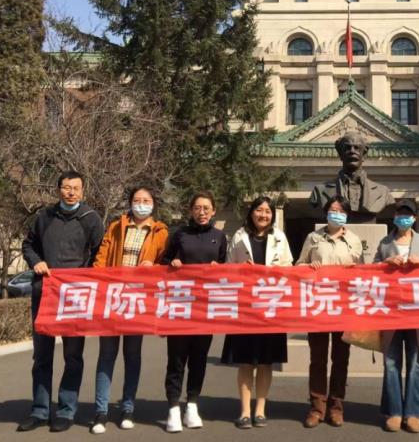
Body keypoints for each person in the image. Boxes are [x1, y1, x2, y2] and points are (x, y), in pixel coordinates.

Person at [18, 171, 105, 433]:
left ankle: (66, 411)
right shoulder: (44, 217)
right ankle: (40, 411)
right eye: (66, 187)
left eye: (76, 188)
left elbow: (100, 254)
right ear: (58, 190)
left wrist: (85, 276)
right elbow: (28, 245)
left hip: (75, 297)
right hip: (45, 293)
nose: (71, 192)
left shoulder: (91, 219)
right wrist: (37, 262)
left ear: (83, 191)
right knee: (41, 356)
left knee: (73, 356)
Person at [89, 186, 169, 434]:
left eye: (146, 200)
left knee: (132, 356)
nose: (141, 204)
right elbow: (101, 258)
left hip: (138, 301)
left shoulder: (161, 231)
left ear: (153, 204)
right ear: (130, 202)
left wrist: (154, 266)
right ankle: (101, 412)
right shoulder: (116, 226)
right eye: (137, 200)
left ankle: (128, 408)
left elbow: (166, 264)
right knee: (106, 356)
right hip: (113, 298)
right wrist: (98, 283)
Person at [222, 196, 294, 429]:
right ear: (251, 212)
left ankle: (260, 410)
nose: (264, 215)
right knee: (246, 362)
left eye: (268, 211)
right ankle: (244, 411)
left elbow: (289, 268)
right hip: (245, 307)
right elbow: (228, 268)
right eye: (259, 210)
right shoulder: (239, 236)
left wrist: (274, 271)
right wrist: (240, 270)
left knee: (265, 362)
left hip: (271, 306)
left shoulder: (280, 237)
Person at [162, 191, 227, 433]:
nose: (202, 212)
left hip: (205, 309)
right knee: (176, 360)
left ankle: (192, 404)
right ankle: (173, 407)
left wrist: (219, 268)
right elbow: (163, 261)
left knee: (199, 359)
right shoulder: (179, 234)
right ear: (191, 210)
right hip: (180, 307)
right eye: (197, 208)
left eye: (206, 208)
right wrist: (172, 263)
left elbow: (226, 268)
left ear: (213, 211)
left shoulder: (219, 237)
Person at [296, 195, 363, 428]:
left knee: (341, 359)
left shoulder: (354, 240)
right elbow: (298, 266)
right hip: (319, 305)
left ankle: (336, 407)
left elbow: (363, 273)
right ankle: (317, 407)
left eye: (341, 211)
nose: (336, 214)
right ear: (326, 213)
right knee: (318, 359)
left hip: (344, 307)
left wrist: (355, 270)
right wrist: (308, 266)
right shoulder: (313, 238)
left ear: (347, 215)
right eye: (333, 210)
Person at [373, 199, 419, 434]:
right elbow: (372, 269)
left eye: (408, 214)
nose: (403, 218)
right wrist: (385, 263)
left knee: (416, 360)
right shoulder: (385, 242)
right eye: (400, 214)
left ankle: (413, 412)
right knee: (391, 362)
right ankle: (394, 411)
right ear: (394, 217)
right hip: (391, 309)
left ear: (415, 218)